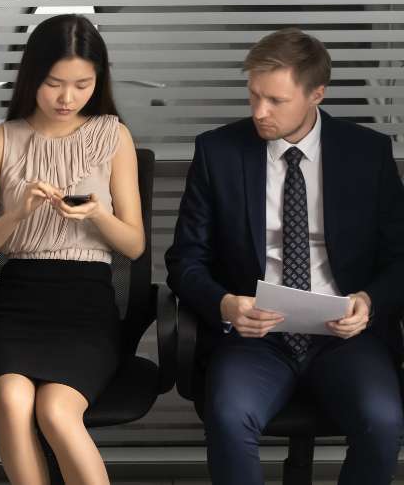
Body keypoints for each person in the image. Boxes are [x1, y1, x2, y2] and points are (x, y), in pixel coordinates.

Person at [165, 28, 404, 485]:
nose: (259, 112)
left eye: (275, 100)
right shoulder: (218, 152)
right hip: (255, 337)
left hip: (345, 338)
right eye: (253, 95)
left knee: (383, 421)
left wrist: (369, 302)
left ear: (317, 94)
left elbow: (401, 257)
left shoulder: (366, 153)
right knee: (229, 416)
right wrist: (224, 304)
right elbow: (185, 260)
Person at [0, 14, 144, 485]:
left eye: (82, 85)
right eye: (53, 83)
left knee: (58, 410)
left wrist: (99, 215)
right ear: (30, 78)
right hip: (19, 302)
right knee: (12, 399)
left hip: (87, 305)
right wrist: (16, 213)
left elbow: (135, 246)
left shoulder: (113, 135)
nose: (67, 98)